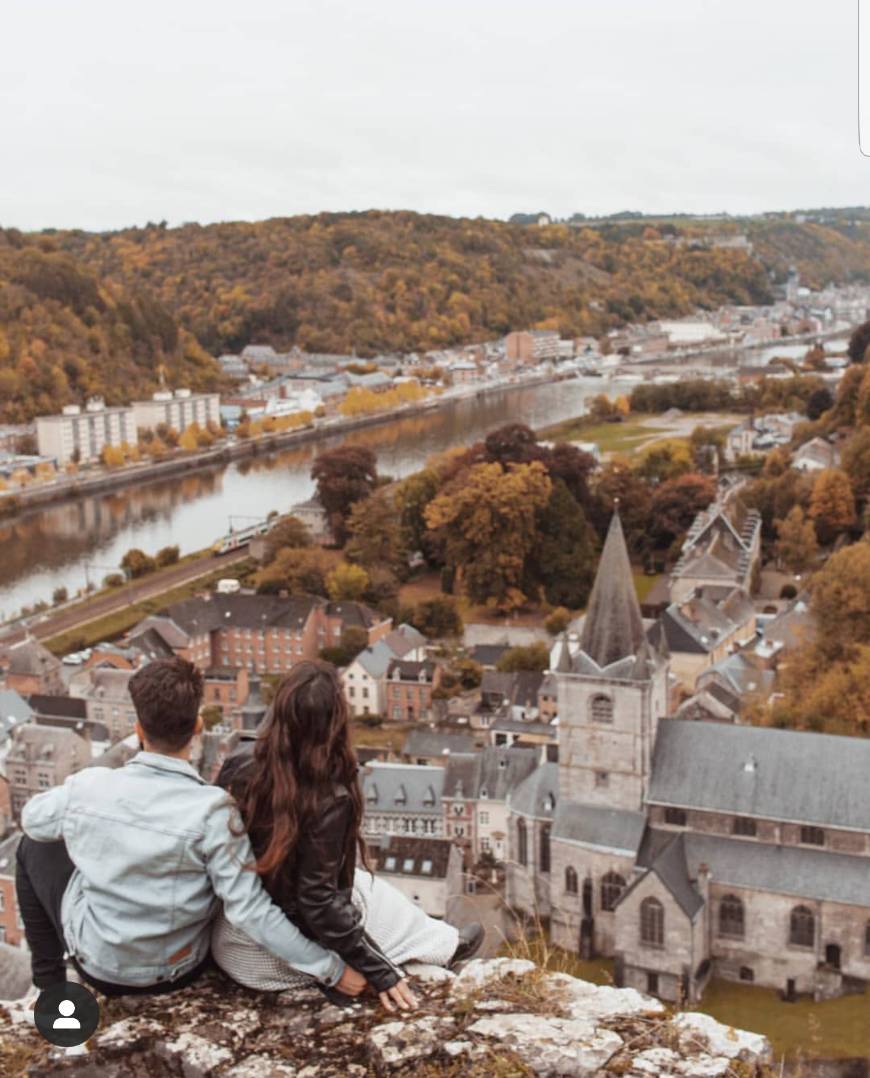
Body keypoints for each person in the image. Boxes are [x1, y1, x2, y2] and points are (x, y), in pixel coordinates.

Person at [15, 657, 364, 1000]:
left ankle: (48, 985)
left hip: (100, 967)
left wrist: (104, 779)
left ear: (138, 729)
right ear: (198, 727)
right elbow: (251, 911)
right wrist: (330, 969)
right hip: (175, 971)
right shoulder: (213, 811)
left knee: (33, 846)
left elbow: (33, 819)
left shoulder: (90, 787)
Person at [213, 660, 483, 1011]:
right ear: (335, 722)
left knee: (364, 885)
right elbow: (318, 902)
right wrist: (381, 971)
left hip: (232, 940)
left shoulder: (239, 762)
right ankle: (443, 947)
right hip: (276, 955)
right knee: (366, 900)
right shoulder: (328, 795)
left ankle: (443, 939)